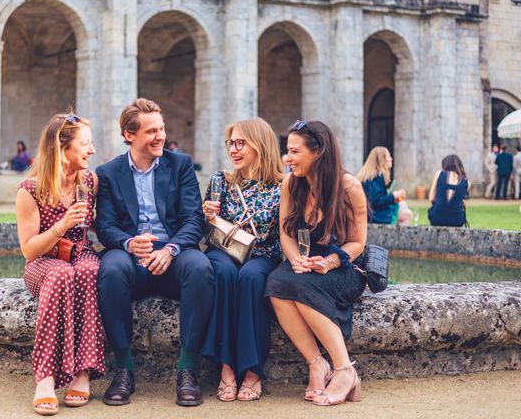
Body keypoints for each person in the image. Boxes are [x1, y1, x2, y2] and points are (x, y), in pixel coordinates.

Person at [95, 98, 213, 407]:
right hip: (131, 254)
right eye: (151, 131)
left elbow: (193, 219)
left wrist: (171, 249)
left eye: (161, 129)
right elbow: (104, 226)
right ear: (129, 135)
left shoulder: (181, 164)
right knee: (110, 269)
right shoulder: (108, 172)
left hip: (172, 252)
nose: (160, 136)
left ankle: (187, 370)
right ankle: (123, 369)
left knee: (201, 267)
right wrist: (128, 243)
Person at [265, 120, 367, 407]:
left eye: (295, 152)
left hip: (344, 264)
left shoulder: (349, 187)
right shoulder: (290, 183)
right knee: (275, 283)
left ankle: (345, 370)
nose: (288, 159)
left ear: (318, 151)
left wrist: (331, 262)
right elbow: (286, 233)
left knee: (297, 285)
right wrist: (297, 259)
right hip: (306, 260)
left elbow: (358, 242)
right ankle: (316, 364)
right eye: (287, 151)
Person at [15, 113, 105, 415]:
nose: (91, 150)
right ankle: (46, 378)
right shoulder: (31, 190)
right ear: (61, 148)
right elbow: (28, 251)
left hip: (81, 254)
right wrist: (62, 225)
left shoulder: (89, 181)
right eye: (85, 144)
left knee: (90, 269)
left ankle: (83, 372)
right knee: (61, 274)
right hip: (44, 261)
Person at [201, 118, 283, 402]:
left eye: (240, 144)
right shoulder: (220, 179)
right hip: (223, 251)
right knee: (223, 274)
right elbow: (205, 231)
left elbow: (284, 234)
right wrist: (207, 215)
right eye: (231, 144)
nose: (233, 150)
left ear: (260, 146)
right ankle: (226, 368)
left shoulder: (281, 186)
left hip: (263, 254)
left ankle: (252, 370)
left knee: (250, 277)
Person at [357, 146, 413, 225]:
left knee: (402, 203)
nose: (391, 159)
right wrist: (394, 195)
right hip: (374, 216)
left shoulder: (369, 175)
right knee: (408, 215)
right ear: (382, 159)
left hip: (369, 213)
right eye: (389, 156)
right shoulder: (377, 175)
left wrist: (394, 197)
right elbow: (377, 201)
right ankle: (395, 236)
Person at [427, 154, 470, 227]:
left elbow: (431, 198)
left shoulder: (439, 173)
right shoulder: (467, 182)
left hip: (437, 218)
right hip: (457, 220)